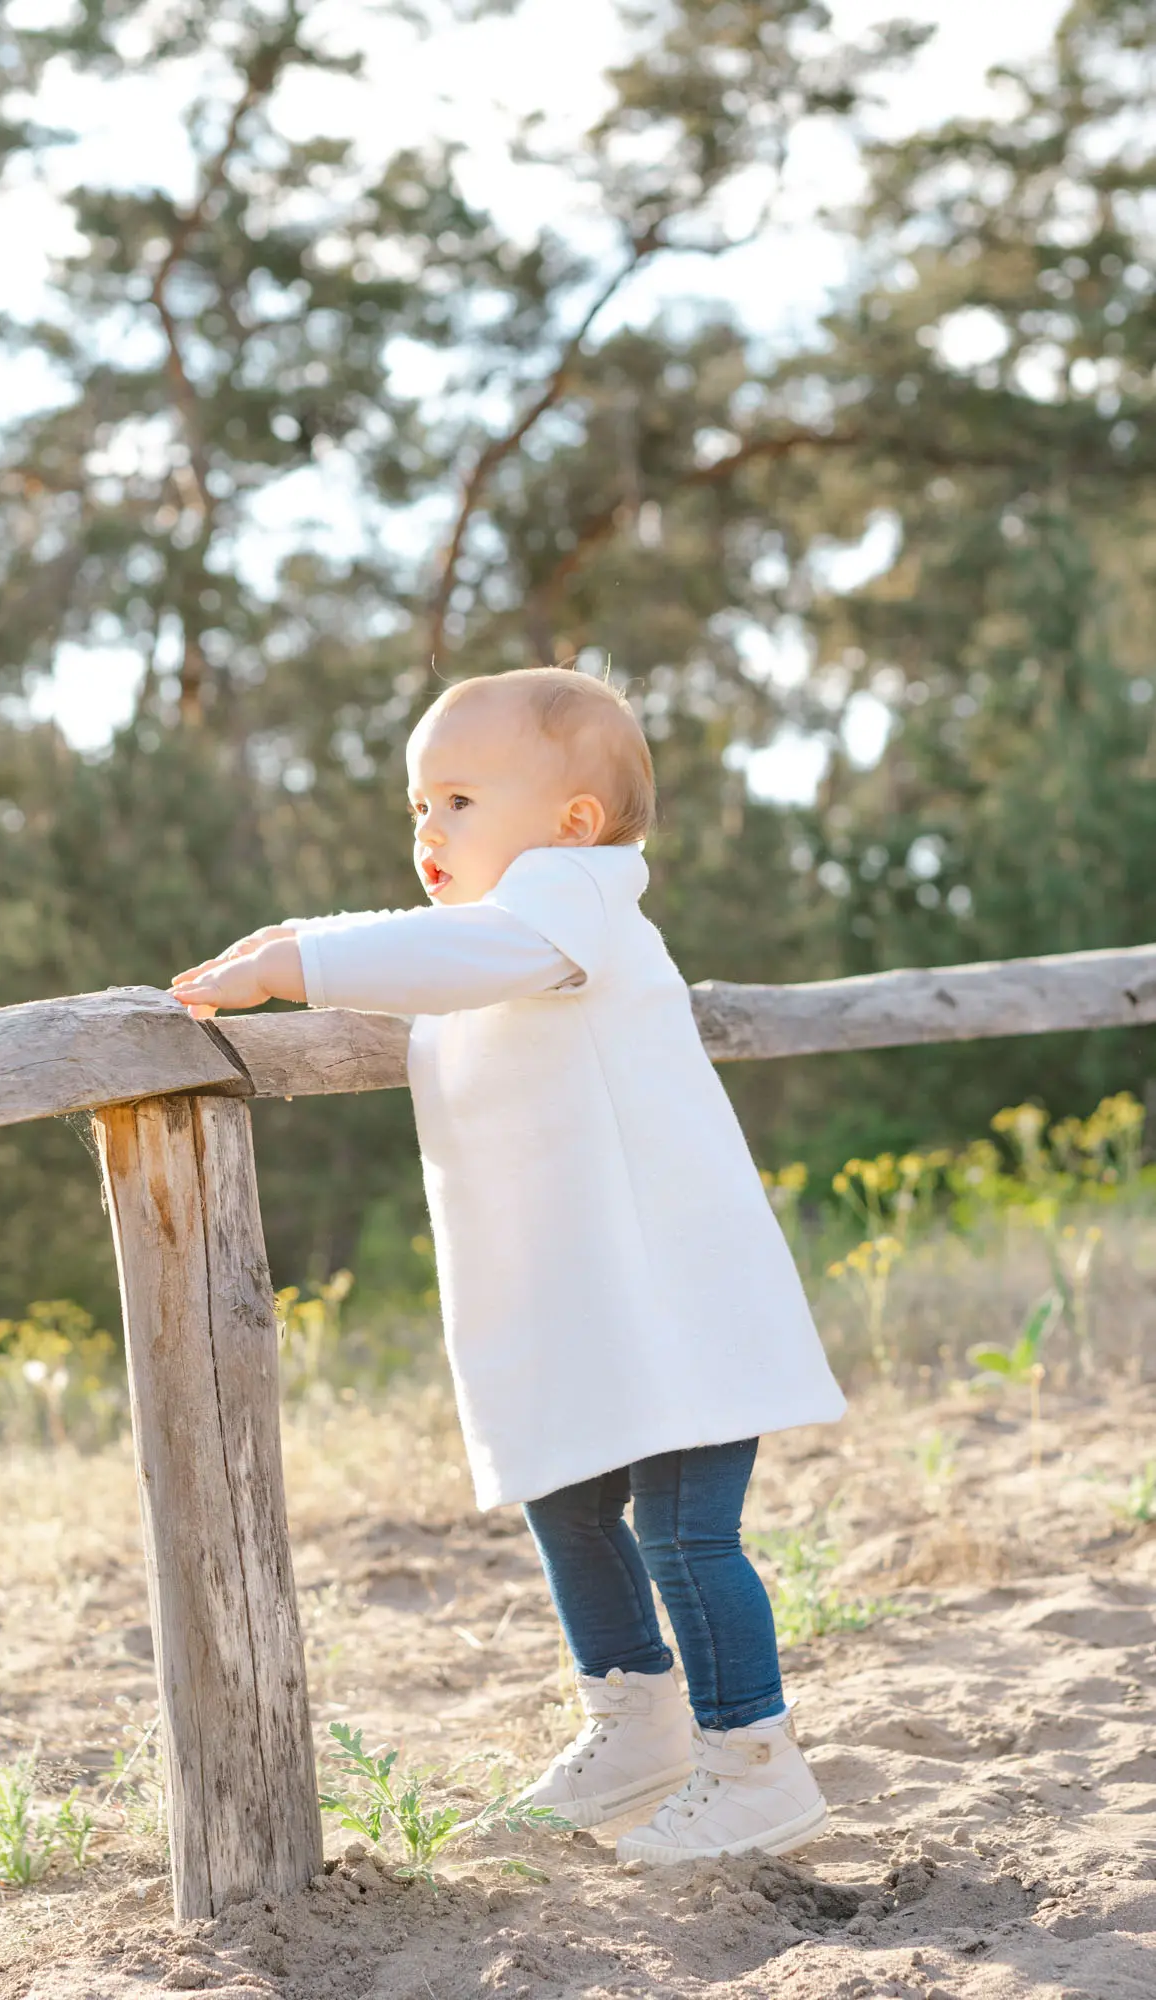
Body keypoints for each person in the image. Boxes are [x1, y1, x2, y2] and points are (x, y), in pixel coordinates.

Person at [170, 666, 846, 1865]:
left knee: (685, 1529)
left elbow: (474, 949)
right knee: (568, 1497)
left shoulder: (571, 895)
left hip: (668, 1290)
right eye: (416, 805)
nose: (426, 827)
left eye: (459, 798)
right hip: (583, 1298)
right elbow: (437, 951)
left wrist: (295, 965)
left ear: (572, 820)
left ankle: (754, 1761)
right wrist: (284, 941)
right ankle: (633, 1716)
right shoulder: (506, 928)